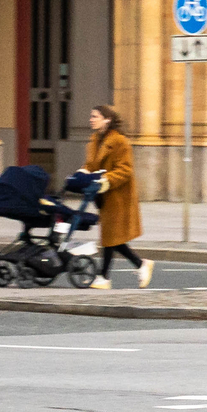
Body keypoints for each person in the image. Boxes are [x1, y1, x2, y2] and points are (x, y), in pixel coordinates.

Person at [85, 103, 153, 287]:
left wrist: (105, 179)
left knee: (111, 237)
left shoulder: (120, 142)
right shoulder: (94, 140)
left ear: (107, 119)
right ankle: (139, 265)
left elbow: (125, 170)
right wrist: (81, 174)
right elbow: (91, 165)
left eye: (95, 116)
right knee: (112, 237)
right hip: (103, 195)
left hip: (118, 195)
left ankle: (104, 277)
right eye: (91, 116)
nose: (91, 120)